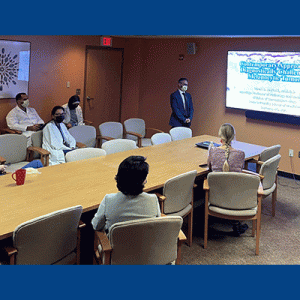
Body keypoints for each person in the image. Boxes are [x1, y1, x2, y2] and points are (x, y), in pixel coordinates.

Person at [91, 156, 161, 233]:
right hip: (146, 243)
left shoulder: (108, 200)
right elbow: (157, 224)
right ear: (143, 181)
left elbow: (96, 225)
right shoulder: (152, 199)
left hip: (115, 244)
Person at [207, 123, 248, 236]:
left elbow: (209, 168)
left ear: (220, 137)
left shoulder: (213, 151)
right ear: (234, 136)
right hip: (235, 197)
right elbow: (240, 171)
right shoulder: (240, 154)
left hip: (216, 196)